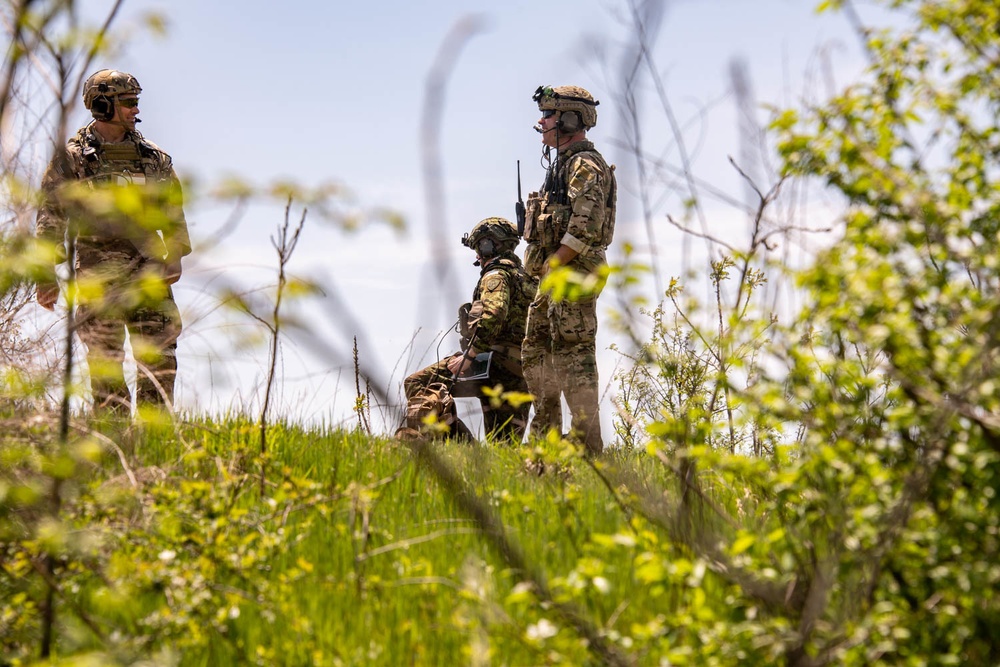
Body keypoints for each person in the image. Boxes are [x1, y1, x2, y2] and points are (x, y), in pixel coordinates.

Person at [35, 69, 191, 417]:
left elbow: (173, 211)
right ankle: (114, 441)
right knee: (105, 362)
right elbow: (51, 216)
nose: (136, 110)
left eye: (136, 102)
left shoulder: (154, 159)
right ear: (103, 105)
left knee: (159, 359)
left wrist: (176, 254)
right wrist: (46, 273)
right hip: (97, 279)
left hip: (149, 277)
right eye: (129, 103)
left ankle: (156, 439)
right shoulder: (72, 159)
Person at [521, 85, 617, 456]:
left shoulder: (583, 165)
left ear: (570, 119)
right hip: (555, 276)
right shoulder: (561, 165)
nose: (542, 122)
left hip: (573, 274)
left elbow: (584, 227)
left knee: (574, 359)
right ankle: (545, 443)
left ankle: (586, 448)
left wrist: (554, 262)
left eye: (549, 115)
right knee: (537, 353)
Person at [399, 217, 537, 441]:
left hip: (493, 362)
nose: (477, 255)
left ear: (488, 244)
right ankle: (471, 453)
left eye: (478, 247)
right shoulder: (528, 279)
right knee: (504, 447)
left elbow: (493, 315)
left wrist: (469, 356)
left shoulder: (496, 276)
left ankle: (460, 444)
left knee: (417, 383)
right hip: (522, 369)